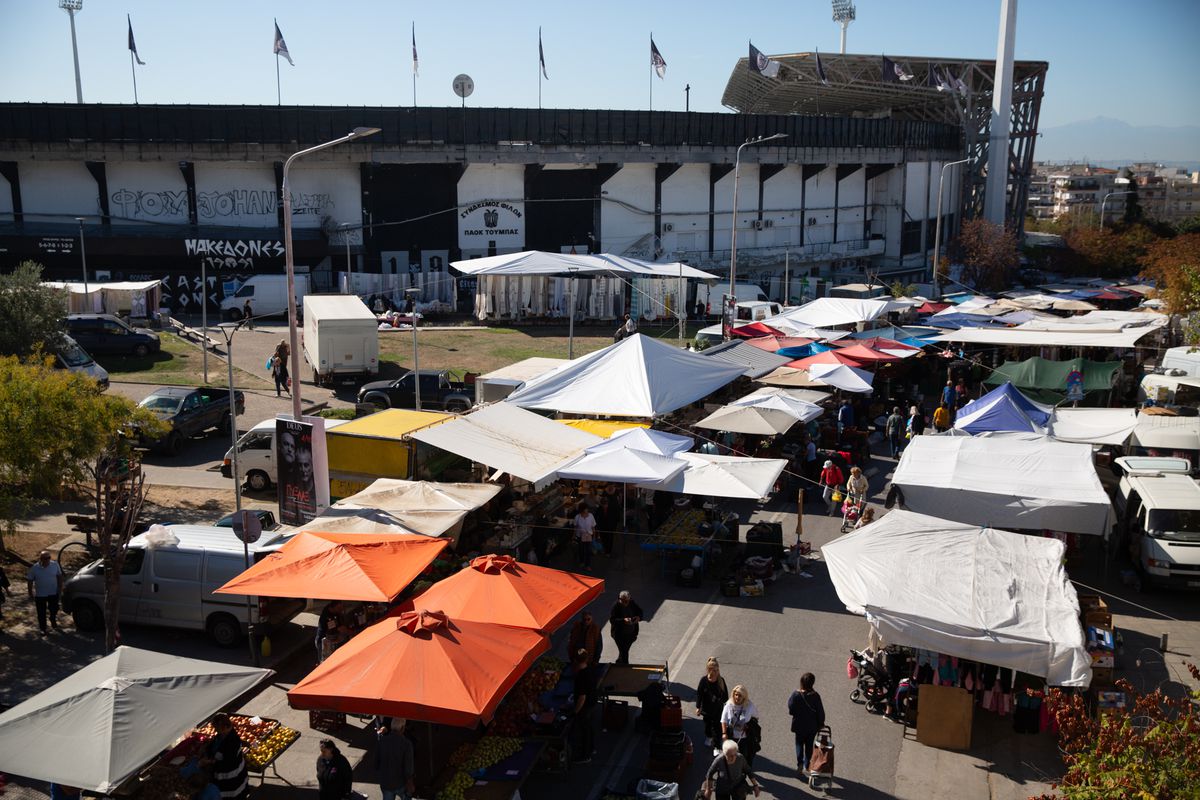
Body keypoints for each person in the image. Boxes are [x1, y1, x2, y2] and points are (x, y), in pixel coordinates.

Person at [200, 713, 248, 800]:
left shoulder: (233, 741)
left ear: (225, 727)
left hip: (231, 776)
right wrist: (206, 749)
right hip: (222, 774)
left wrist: (209, 761)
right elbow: (214, 744)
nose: (215, 731)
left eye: (217, 728)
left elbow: (229, 762)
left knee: (232, 795)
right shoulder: (221, 735)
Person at [787, 672, 826, 777]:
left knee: (799, 744)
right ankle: (806, 764)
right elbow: (820, 712)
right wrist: (821, 723)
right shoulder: (816, 696)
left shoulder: (796, 695)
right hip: (812, 727)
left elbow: (791, 709)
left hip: (799, 725)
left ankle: (799, 763)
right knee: (809, 746)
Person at [720, 685, 760, 767]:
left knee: (744, 756)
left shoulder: (749, 706)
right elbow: (723, 720)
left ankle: (743, 772)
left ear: (744, 697)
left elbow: (756, 716)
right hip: (732, 737)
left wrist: (749, 725)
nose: (737, 697)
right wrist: (724, 733)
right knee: (731, 756)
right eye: (736, 694)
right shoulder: (728, 705)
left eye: (740, 695)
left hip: (744, 738)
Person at [375, 718, 415, 800]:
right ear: (403, 728)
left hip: (386, 783)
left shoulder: (382, 741)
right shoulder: (406, 744)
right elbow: (408, 767)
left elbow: (376, 763)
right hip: (400, 783)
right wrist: (410, 782)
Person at [570, 648, 598, 764]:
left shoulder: (581, 676)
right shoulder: (590, 670)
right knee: (588, 728)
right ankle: (591, 749)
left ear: (575, 661)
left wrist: (575, 711)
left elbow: (582, 697)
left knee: (584, 730)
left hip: (585, 707)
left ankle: (585, 756)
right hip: (591, 703)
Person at [695, 656, 730, 748]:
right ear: (708, 670)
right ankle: (709, 736)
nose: (714, 672)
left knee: (717, 728)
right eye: (712, 670)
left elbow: (726, 696)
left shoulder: (721, 681)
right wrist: (698, 707)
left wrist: (726, 707)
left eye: (716, 670)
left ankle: (716, 746)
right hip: (706, 710)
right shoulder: (703, 681)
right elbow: (699, 694)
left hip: (718, 710)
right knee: (707, 726)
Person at [27, 549, 64, 635]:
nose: (47, 559)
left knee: (54, 608)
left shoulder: (55, 565)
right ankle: (43, 628)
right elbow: (30, 580)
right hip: (40, 594)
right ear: (41, 558)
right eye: (45, 558)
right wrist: (30, 593)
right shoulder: (34, 568)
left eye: (49, 557)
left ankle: (52, 618)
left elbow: (59, 576)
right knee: (41, 612)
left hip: (53, 592)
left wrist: (60, 588)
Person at [609, 590, 643, 665]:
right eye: (624, 601)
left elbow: (640, 611)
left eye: (627, 601)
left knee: (624, 651)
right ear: (620, 599)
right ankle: (625, 667)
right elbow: (612, 620)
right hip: (619, 635)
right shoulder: (616, 606)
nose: (626, 603)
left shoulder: (631, 603)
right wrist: (623, 620)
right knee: (624, 652)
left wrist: (639, 617)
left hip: (631, 634)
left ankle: (619, 662)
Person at [574, 502, 597, 571]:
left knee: (588, 551)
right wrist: (573, 536)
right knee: (581, 550)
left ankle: (588, 565)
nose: (587, 510)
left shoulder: (591, 516)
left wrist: (594, 536)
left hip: (589, 536)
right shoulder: (577, 517)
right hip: (580, 536)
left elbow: (593, 527)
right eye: (586, 509)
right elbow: (575, 527)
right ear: (582, 510)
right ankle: (581, 561)